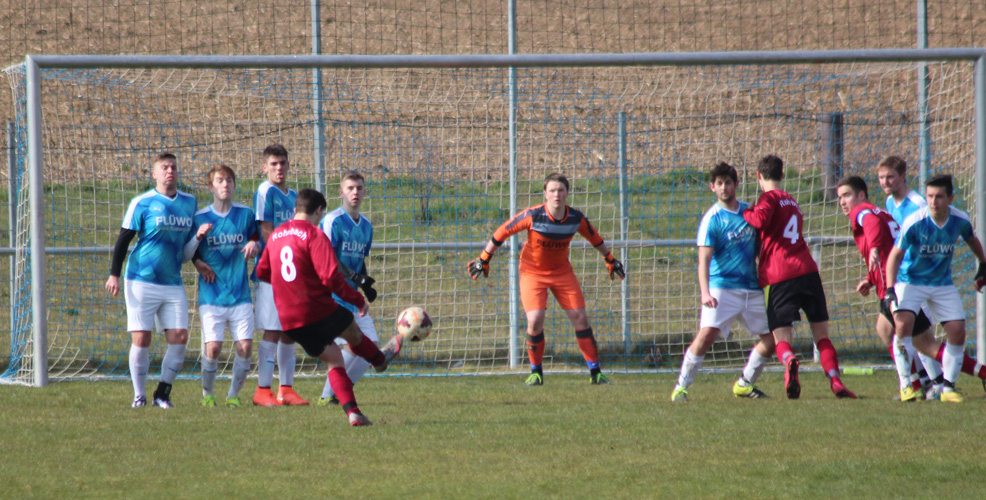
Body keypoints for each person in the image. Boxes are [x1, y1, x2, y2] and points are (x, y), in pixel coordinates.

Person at [255, 188, 403, 426]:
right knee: (352, 330)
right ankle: (379, 360)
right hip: (316, 308)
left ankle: (353, 413)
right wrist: (358, 300)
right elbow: (331, 278)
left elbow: (262, 271)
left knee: (334, 359)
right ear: (319, 211)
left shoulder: (276, 235)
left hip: (290, 320)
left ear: (295, 211)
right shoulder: (314, 235)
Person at [468, 173, 625, 386]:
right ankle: (536, 372)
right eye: (552, 190)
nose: (556, 194)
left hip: (562, 272)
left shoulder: (575, 218)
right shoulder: (533, 216)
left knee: (580, 318)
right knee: (535, 320)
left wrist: (610, 258)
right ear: (545, 194)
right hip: (532, 273)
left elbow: (594, 237)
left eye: (560, 190)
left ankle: (596, 373)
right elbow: (503, 231)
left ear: (567, 193)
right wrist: (484, 258)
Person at [742, 155, 856, 399]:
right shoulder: (792, 202)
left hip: (781, 275)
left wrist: (746, 213)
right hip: (809, 271)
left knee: (780, 336)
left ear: (758, 176)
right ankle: (836, 381)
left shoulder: (768, 197)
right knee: (822, 335)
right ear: (782, 175)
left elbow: (760, 219)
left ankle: (790, 360)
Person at [671, 162, 774, 402]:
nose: (724, 187)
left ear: (736, 184)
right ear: (712, 187)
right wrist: (705, 292)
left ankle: (744, 384)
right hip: (722, 289)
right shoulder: (712, 219)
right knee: (706, 335)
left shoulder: (751, 213)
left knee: (773, 339)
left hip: (751, 289)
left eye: (728, 182)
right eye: (719, 183)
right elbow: (703, 261)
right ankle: (681, 387)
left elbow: (762, 249)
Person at [104, 152, 199, 409]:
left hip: (172, 282)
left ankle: (162, 393)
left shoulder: (190, 203)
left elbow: (191, 245)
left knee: (179, 338)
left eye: (174, 167)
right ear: (154, 173)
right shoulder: (142, 202)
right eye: (164, 167)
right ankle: (139, 395)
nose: (170, 171)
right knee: (142, 339)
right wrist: (114, 274)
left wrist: (199, 258)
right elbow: (124, 239)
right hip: (141, 280)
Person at [885, 174, 986, 403]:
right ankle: (906, 386)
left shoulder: (960, 220)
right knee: (902, 325)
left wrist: (983, 264)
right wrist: (890, 289)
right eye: (930, 196)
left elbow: (971, 239)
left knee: (957, 331)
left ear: (950, 198)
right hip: (910, 281)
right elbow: (894, 257)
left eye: (939, 196)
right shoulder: (915, 222)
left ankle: (948, 389)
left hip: (941, 283)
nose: (933, 201)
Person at [184, 165, 261, 408]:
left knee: (246, 347)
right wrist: (197, 246)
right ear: (211, 187)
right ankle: (208, 392)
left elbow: (257, 239)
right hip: (212, 294)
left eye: (229, 180)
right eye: (220, 180)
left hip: (240, 294)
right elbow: (187, 255)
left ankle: (233, 395)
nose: (225, 184)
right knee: (214, 348)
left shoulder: (245, 214)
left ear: (235, 185)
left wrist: (252, 245)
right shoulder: (200, 218)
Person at [876, 155, 941, 396]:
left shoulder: (918, 205)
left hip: (920, 276)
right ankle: (925, 381)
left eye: (890, 177)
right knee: (897, 331)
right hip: (903, 276)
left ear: (903, 176)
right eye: (881, 177)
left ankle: (937, 383)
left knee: (919, 336)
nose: (885, 181)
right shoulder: (890, 202)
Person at [316, 170, 380, 406]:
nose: (355, 192)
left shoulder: (367, 227)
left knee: (371, 349)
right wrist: (356, 277)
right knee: (352, 346)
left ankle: (337, 394)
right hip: (332, 295)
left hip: (352, 296)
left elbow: (359, 259)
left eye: (359, 188)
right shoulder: (333, 220)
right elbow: (328, 259)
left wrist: (365, 282)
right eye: (350, 188)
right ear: (341, 191)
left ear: (365, 192)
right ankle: (326, 395)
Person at [252, 144, 306, 407]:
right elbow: (266, 231)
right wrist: (280, 263)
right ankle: (263, 390)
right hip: (272, 273)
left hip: (292, 272)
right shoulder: (266, 191)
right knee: (273, 330)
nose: (279, 168)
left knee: (290, 331)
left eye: (282, 163)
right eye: (273, 164)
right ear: (265, 167)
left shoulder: (294, 196)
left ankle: (286, 389)